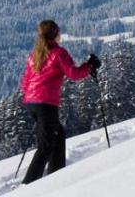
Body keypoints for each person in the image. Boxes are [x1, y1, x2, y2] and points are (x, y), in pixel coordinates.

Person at [18, 19, 100, 184]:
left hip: (31, 103)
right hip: (46, 105)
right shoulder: (58, 53)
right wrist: (89, 67)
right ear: (55, 34)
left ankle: (56, 177)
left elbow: (25, 81)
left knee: (57, 136)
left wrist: (32, 99)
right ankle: (28, 185)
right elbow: (73, 74)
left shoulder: (35, 54)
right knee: (45, 147)